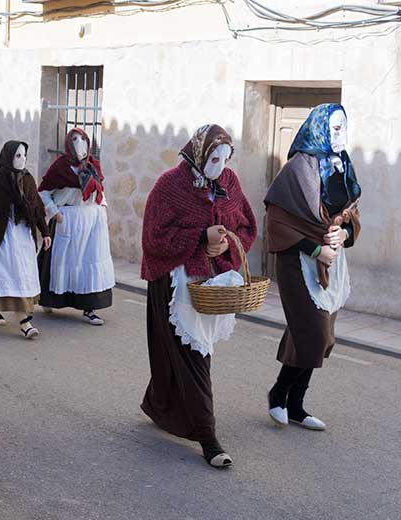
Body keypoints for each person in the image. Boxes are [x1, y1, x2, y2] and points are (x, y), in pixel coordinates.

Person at [140, 124, 257, 468]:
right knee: (193, 356)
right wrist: (199, 238)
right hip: (174, 282)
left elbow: (246, 226)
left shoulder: (230, 183)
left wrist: (224, 245)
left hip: (211, 283)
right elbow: (153, 238)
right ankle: (208, 438)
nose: (219, 166)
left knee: (175, 356)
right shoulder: (169, 185)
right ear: (198, 153)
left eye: (225, 159)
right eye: (213, 158)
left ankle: (159, 406)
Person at [265, 104, 361, 432]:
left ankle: (296, 405)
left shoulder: (342, 164)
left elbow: (351, 213)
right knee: (314, 333)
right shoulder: (297, 168)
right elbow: (277, 220)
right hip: (300, 261)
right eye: (335, 129)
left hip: (332, 261)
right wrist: (316, 249)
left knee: (316, 335)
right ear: (319, 128)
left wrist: (344, 232)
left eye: (344, 128)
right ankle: (278, 394)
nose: (341, 135)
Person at [37, 128, 114, 325]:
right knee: (61, 262)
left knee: (89, 261)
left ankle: (90, 307)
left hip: (91, 220)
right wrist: (55, 212)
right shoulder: (60, 168)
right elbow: (44, 192)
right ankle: (49, 298)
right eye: (75, 139)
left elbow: (99, 190)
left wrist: (103, 207)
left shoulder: (92, 166)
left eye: (83, 139)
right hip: (68, 219)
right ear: (68, 143)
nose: (80, 143)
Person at [0, 141, 51, 338]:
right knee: (9, 273)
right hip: (4, 237)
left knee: (19, 274)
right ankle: (24, 322)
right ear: (8, 157)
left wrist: (45, 232)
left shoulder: (28, 180)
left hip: (23, 235)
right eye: (18, 156)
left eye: (24, 156)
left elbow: (36, 209)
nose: (22, 160)